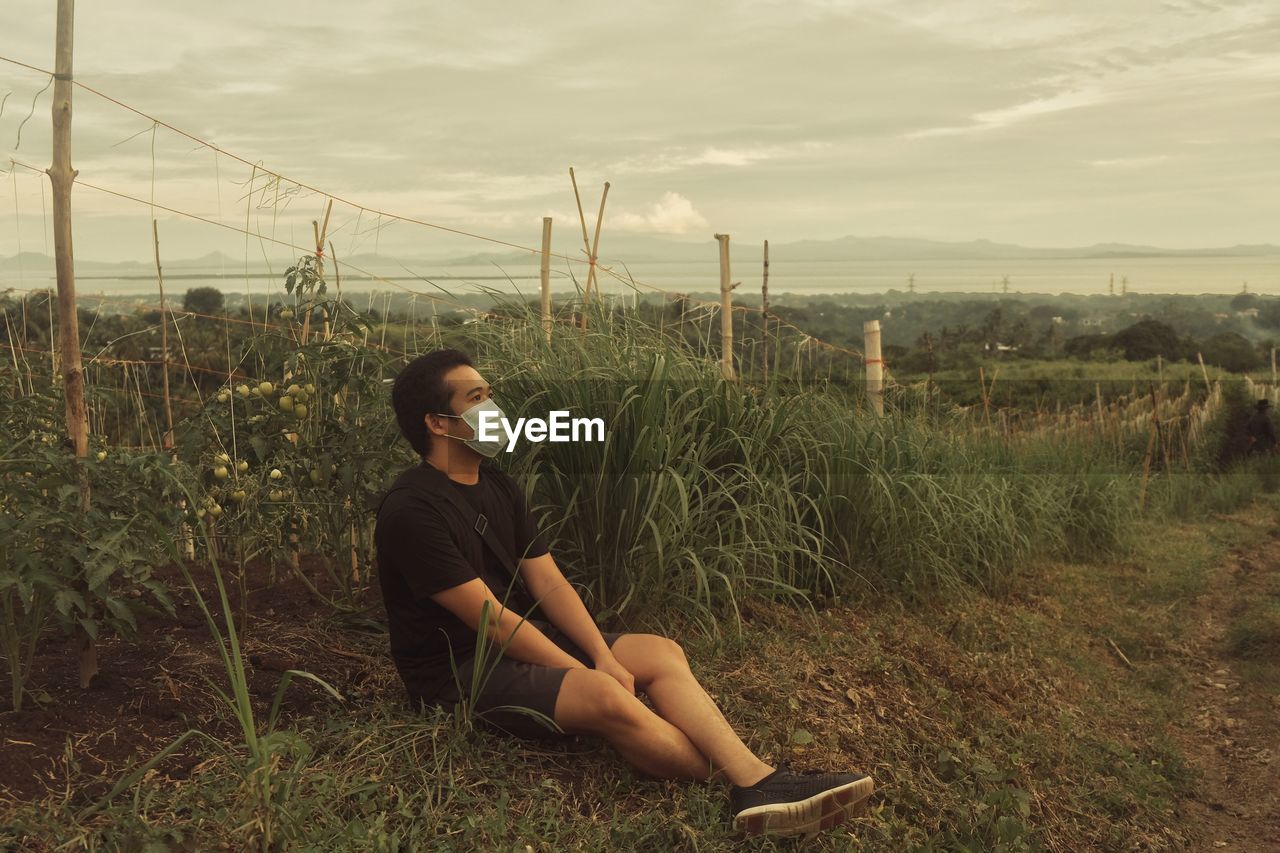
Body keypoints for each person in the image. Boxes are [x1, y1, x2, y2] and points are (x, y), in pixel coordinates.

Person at [374, 348, 874, 839]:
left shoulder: (498, 486)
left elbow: (547, 581)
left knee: (659, 651)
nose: (494, 410)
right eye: (476, 398)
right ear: (437, 424)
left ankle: (758, 780)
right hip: (458, 670)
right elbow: (495, 622)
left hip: (519, 642)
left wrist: (599, 653)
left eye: (490, 394)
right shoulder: (412, 511)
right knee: (605, 694)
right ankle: (748, 782)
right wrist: (586, 671)